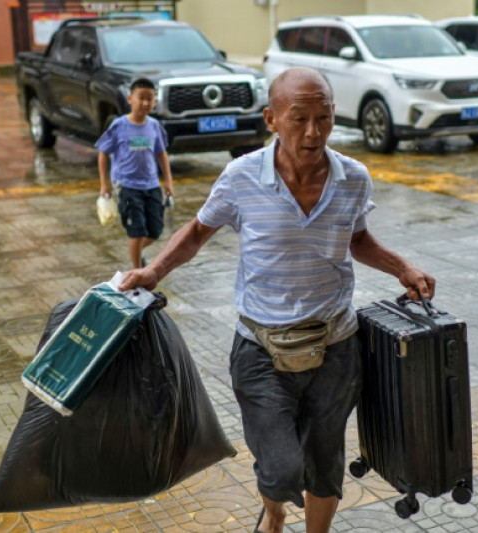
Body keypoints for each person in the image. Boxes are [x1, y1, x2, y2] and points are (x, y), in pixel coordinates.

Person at [117, 67, 435, 533]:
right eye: (299, 118)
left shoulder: (353, 178)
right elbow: (198, 232)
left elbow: (358, 239)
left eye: (323, 118)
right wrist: (153, 270)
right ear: (271, 118)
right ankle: (275, 513)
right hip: (261, 349)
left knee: (325, 459)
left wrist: (402, 268)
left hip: (336, 346)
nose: (313, 131)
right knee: (282, 466)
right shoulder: (241, 176)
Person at [96, 77, 174, 268]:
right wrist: (104, 183)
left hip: (152, 186)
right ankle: (137, 271)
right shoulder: (119, 126)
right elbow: (103, 153)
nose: (146, 103)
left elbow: (161, 154)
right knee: (136, 231)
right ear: (130, 99)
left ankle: (136, 251)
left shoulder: (154, 126)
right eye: (141, 98)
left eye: (150, 98)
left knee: (155, 231)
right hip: (128, 187)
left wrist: (168, 182)